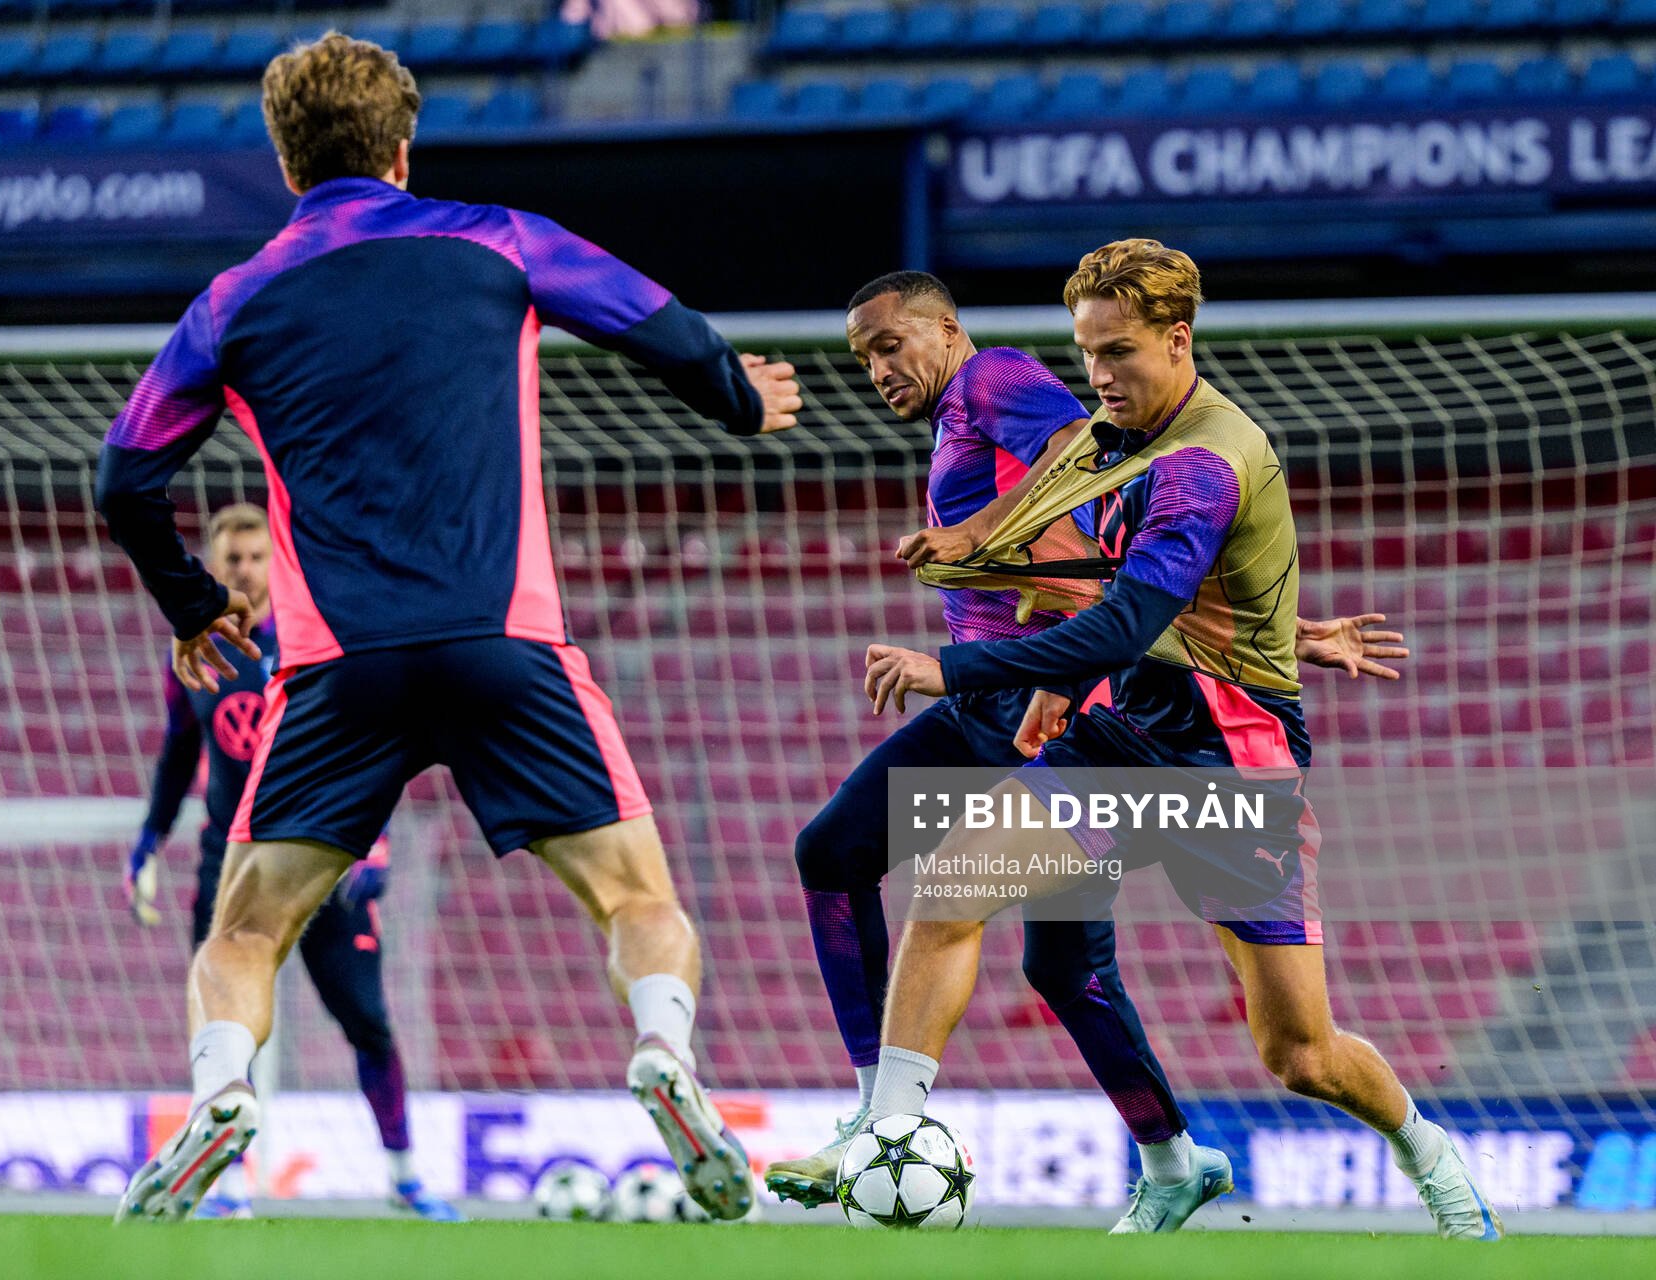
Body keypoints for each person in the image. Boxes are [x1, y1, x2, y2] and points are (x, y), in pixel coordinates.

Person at [96, 32, 802, 1223]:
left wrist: (196, 605)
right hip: (505, 645)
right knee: (638, 902)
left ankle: (222, 1091)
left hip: (336, 670)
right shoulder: (498, 238)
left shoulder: (232, 299)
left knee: (246, 928)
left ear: (284, 161)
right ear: (403, 148)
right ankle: (667, 1058)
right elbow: (654, 320)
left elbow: (123, 476)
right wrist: (739, 398)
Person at [857, 240, 1501, 1239]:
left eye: (1118, 352)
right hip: (1125, 732)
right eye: (1086, 354)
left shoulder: (1204, 459)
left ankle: (1431, 1156)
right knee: (952, 881)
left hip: (1229, 764)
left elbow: (1121, 619)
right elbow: (1106, 582)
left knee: (1301, 1054)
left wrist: (958, 667)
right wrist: (976, 556)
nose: (1100, 376)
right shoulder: (1108, 438)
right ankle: (886, 1140)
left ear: (1178, 338)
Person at [126, 502, 458, 1221]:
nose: (243, 569)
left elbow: (371, 743)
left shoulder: (315, 641)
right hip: (227, 861)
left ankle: (405, 1179)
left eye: (254, 556)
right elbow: (180, 749)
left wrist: (374, 840)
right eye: (231, 558)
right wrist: (150, 838)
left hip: (319, 849)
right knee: (222, 1024)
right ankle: (229, 1188)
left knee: (366, 1021)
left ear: (275, 563)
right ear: (212, 566)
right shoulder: (197, 651)